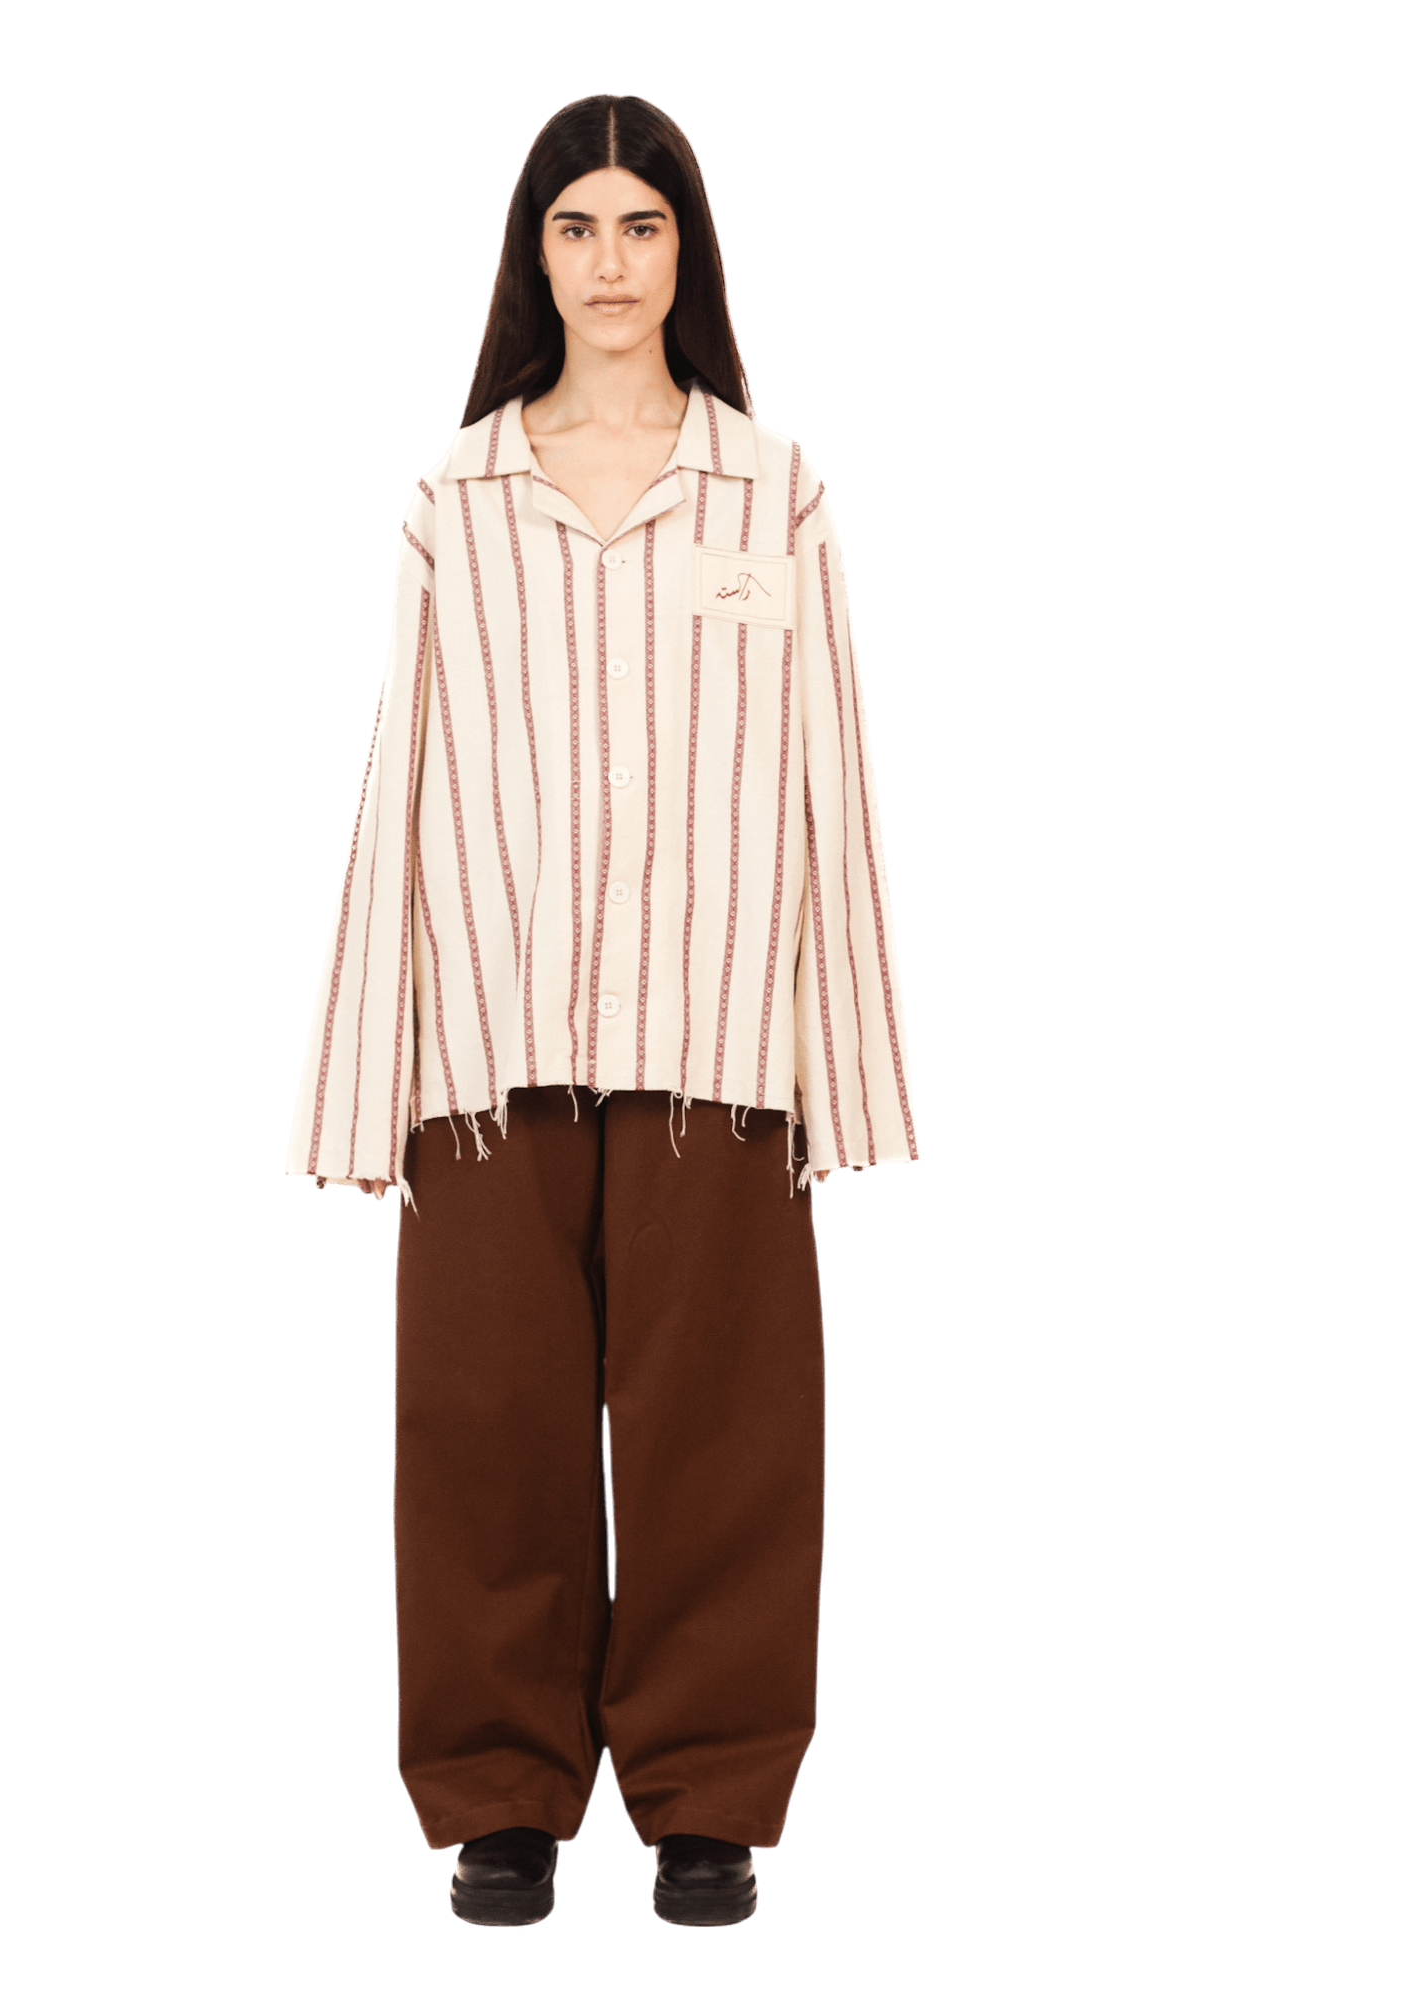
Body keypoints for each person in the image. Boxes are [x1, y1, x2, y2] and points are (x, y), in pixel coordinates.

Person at [285, 93, 919, 1927]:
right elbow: (399, 780)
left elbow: (832, 781)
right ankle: (499, 1797)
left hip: (719, 1040)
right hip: (487, 1045)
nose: (611, 261)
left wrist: (844, 1076)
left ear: (684, 254)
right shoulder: (456, 499)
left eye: (642, 225)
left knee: (728, 1428)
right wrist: (365, 1079)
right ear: (534, 256)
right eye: (578, 227)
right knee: (480, 1421)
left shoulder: (773, 490)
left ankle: (708, 1801)